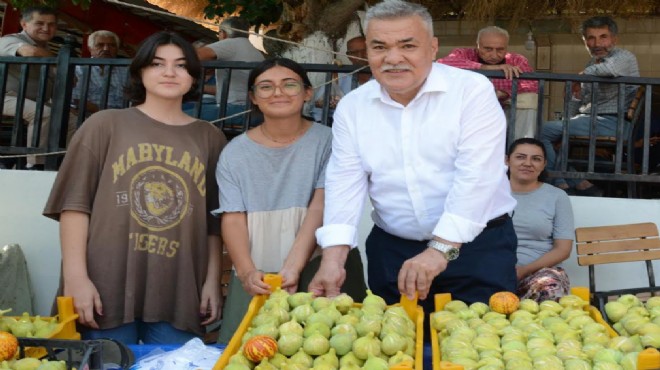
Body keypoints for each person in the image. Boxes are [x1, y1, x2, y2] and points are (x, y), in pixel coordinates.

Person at [309, 0, 518, 316]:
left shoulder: (471, 91)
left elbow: (477, 177)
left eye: (408, 45)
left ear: (432, 48)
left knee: (476, 352)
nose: (393, 58)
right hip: (391, 250)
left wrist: (439, 251)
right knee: (398, 353)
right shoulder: (353, 106)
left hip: (478, 249)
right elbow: (344, 181)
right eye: (379, 47)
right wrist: (333, 258)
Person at [42, 31, 227, 344]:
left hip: (179, 289)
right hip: (104, 285)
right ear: (141, 71)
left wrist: (212, 281)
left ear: (193, 77)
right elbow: (74, 206)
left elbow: (213, 223)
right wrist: (76, 278)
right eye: (158, 63)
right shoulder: (105, 124)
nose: (170, 72)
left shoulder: (210, 138)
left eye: (181, 65)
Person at [213, 57, 366, 344]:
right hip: (258, 268)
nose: (278, 93)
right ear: (253, 98)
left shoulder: (331, 141)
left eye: (289, 84)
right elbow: (232, 217)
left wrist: (294, 266)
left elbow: (322, 205)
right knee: (249, 352)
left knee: (335, 347)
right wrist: (246, 272)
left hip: (321, 262)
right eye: (266, 87)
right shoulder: (234, 152)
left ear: (308, 92)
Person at [540, 16, 639, 196]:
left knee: (544, 130)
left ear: (614, 39)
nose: (597, 43)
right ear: (585, 42)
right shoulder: (591, 64)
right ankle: (579, 182)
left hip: (615, 123)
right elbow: (580, 101)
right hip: (592, 120)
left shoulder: (624, 57)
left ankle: (558, 182)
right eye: (591, 38)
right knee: (550, 134)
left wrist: (579, 77)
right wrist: (568, 112)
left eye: (603, 37)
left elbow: (610, 70)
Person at [0, 6, 76, 169]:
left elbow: (70, 80)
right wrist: (62, 61)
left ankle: (66, 164)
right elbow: (30, 52)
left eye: (51, 24)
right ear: (24, 24)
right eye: (39, 23)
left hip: (30, 100)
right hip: (5, 97)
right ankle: (35, 165)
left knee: (71, 119)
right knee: (43, 113)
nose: (46, 28)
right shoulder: (10, 40)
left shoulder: (47, 50)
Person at [437, 26, 539, 139]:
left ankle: (519, 149)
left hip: (505, 112)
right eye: (488, 49)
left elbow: (532, 85)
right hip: (470, 112)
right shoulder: (463, 53)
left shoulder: (517, 60)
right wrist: (486, 68)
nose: (494, 55)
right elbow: (443, 63)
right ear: (477, 45)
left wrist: (504, 93)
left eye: (500, 50)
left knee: (530, 98)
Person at [506, 138, 574, 302]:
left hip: (539, 272)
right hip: (493, 268)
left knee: (550, 287)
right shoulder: (489, 193)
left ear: (543, 165)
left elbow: (563, 249)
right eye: (520, 157)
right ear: (507, 160)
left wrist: (524, 270)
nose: (528, 163)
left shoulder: (557, 197)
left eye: (536, 159)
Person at [195, 17, 265, 125]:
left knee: (179, 115)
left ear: (223, 34)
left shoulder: (231, 44)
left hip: (236, 109)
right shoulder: (256, 52)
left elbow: (194, 55)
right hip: (253, 110)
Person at [312, 35, 372, 123]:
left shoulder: (385, 78)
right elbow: (318, 111)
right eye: (355, 52)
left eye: (365, 50)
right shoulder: (337, 78)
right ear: (349, 56)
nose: (361, 55)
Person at [71, 30, 128, 117]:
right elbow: (78, 100)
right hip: (90, 118)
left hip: (123, 119)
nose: (106, 49)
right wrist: (106, 114)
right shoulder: (80, 69)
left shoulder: (126, 71)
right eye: (100, 45)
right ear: (90, 48)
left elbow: (135, 98)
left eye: (111, 45)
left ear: (117, 49)